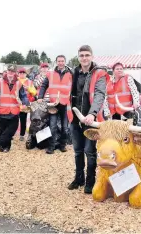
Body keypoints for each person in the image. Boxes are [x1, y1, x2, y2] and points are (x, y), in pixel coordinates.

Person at [68, 45, 108, 194]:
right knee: (77, 151)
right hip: (75, 118)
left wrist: (92, 113)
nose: (84, 58)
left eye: (87, 55)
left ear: (92, 56)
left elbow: (99, 95)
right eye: (81, 55)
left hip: (91, 119)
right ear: (78, 57)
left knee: (89, 151)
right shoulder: (75, 72)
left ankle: (90, 181)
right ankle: (79, 178)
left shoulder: (99, 73)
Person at [38, 55, 73, 154]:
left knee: (65, 128)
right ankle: (51, 146)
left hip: (65, 104)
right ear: (56, 62)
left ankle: (62, 145)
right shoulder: (50, 74)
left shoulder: (70, 74)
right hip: (53, 104)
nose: (61, 63)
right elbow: (44, 85)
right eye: (59, 61)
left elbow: (74, 88)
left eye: (62, 61)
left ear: (65, 62)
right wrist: (40, 97)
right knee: (52, 126)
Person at [0, 64, 29, 153]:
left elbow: (23, 95)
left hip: (14, 111)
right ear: (7, 71)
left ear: (15, 73)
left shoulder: (19, 83)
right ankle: (4, 147)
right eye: (9, 71)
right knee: (3, 130)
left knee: (12, 129)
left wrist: (25, 103)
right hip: (2, 110)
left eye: (12, 71)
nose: (10, 73)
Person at [17, 68, 34, 141]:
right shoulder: (16, 81)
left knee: (23, 120)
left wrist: (28, 89)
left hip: (25, 104)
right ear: (18, 74)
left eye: (23, 73)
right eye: (20, 73)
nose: (22, 74)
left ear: (26, 74)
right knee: (13, 120)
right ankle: (11, 134)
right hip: (15, 104)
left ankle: (22, 135)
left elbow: (34, 92)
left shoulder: (29, 82)